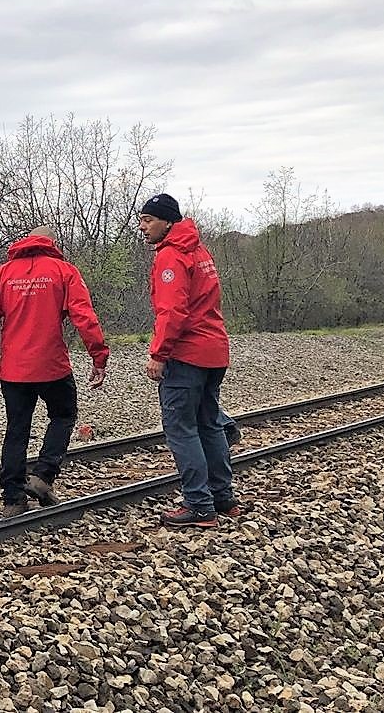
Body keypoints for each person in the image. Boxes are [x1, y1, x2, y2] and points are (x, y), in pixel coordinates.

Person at [0, 226, 108, 518]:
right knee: (63, 415)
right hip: (51, 365)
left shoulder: (1, 274)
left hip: (14, 369)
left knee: (16, 429)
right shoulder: (64, 271)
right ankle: (44, 475)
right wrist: (99, 356)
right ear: (52, 243)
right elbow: (84, 317)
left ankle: (13, 498)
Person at [138, 193, 242, 528]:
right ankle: (222, 498)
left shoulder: (171, 255)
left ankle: (198, 505)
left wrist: (158, 354)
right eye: (141, 220)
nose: (143, 227)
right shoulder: (199, 250)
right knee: (209, 424)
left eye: (148, 220)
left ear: (167, 221)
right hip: (214, 350)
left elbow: (172, 311)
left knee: (181, 429)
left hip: (186, 354)